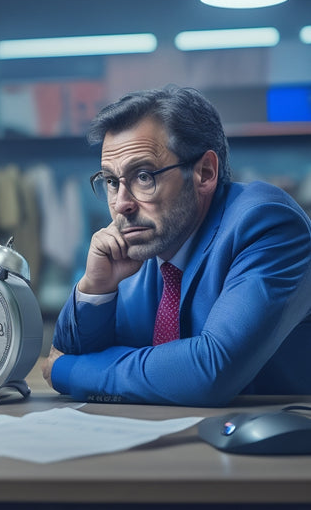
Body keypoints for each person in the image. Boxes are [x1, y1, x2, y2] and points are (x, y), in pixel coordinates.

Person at [41, 85, 311, 407]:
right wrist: (96, 289)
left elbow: (210, 371)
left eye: (143, 176)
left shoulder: (267, 224)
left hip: (273, 445)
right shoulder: (138, 251)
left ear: (205, 173)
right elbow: (75, 360)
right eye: (112, 182)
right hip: (159, 437)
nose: (122, 204)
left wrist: (68, 370)